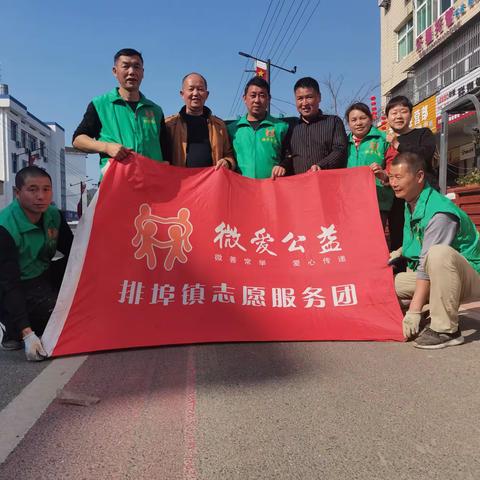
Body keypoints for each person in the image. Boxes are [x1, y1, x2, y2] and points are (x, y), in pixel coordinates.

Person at [388, 152, 480, 349]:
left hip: (471, 277)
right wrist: (399, 251)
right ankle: (431, 307)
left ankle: (446, 329)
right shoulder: (411, 202)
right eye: (390, 177)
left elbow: (427, 262)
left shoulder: (439, 212)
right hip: (442, 274)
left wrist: (413, 310)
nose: (393, 183)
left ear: (419, 176)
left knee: (438, 253)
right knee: (386, 284)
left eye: (399, 177)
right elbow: (422, 240)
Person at [0, 166, 73, 361]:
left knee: (78, 264)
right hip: (14, 284)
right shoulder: (5, 227)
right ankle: (13, 327)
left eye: (46, 189)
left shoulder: (54, 216)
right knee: (53, 315)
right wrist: (28, 334)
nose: (40, 196)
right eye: (32, 189)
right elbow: (9, 284)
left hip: (42, 274)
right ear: (18, 193)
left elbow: (75, 252)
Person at [73, 48, 167, 175]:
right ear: (115, 71)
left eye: (136, 66)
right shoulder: (100, 104)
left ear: (143, 72)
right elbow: (78, 140)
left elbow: (165, 151)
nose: (131, 72)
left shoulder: (155, 110)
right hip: (116, 183)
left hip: (151, 184)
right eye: (126, 66)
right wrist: (106, 147)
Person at [386, 95, 438, 250]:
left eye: (403, 111)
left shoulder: (423, 134)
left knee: (427, 234)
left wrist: (398, 145)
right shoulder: (384, 140)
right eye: (394, 113)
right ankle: (402, 273)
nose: (398, 116)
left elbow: (424, 155)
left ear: (410, 114)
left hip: (424, 194)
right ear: (387, 117)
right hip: (397, 199)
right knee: (399, 237)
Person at [165, 73, 235, 170]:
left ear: (207, 95)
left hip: (211, 183)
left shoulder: (219, 126)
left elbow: (230, 155)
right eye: (191, 89)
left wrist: (227, 162)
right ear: (182, 94)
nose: (195, 93)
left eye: (200, 89)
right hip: (181, 183)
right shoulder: (169, 125)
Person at [228, 77, 290, 179]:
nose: (257, 100)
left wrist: (283, 166)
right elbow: (228, 157)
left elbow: (289, 157)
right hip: (241, 189)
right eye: (253, 96)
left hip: (272, 188)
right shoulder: (232, 129)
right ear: (244, 98)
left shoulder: (282, 127)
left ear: (269, 98)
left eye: (262, 96)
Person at [346, 102, 394, 228]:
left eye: (363, 118)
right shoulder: (343, 144)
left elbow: (394, 167)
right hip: (350, 204)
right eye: (354, 120)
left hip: (378, 202)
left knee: (375, 242)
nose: (358, 123)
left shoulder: (384, 140)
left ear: (371, 119)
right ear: (349, 123)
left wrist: (384, 175)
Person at [289, 77, 347, 174]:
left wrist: (321, 166)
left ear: (319, 97)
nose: (304, 103)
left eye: (309, 97)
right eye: (300, 98)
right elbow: (288, 155)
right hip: (298, 186)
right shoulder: (291, 127)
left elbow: (340, 150)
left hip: (328, 184)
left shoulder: (334, 122)